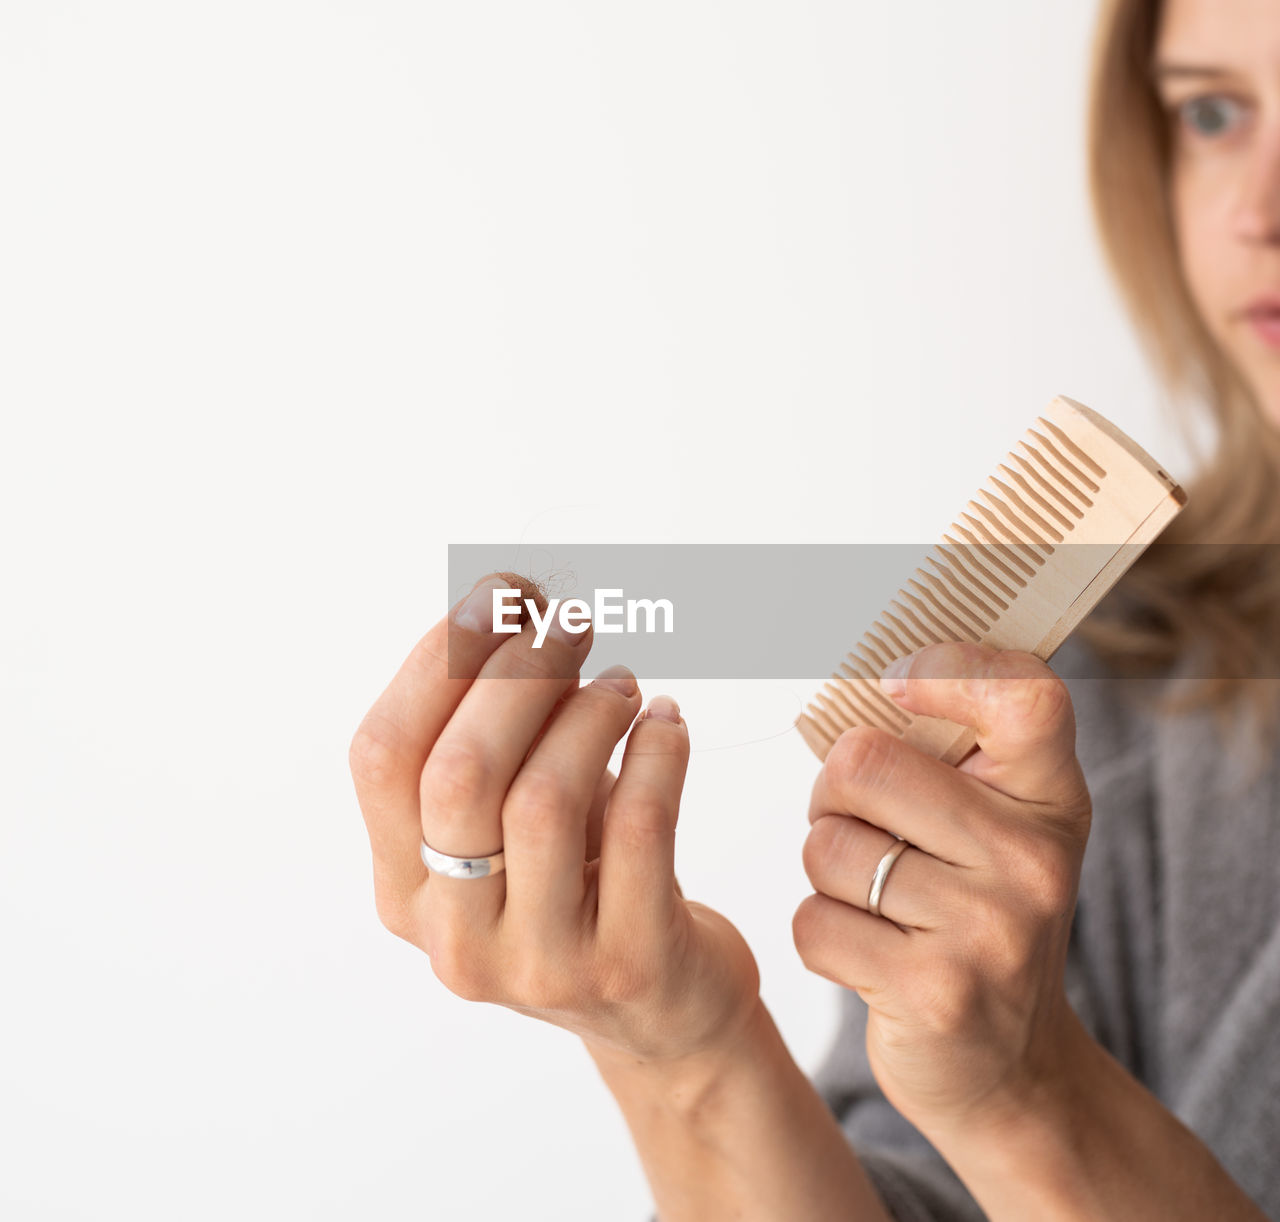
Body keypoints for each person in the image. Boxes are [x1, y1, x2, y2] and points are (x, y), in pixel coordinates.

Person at [347, 0, 1280, 1216]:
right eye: (1211, 114)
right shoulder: (1107, 684)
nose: (1252, 212)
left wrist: (1033, 1096)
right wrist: (680, 1052)